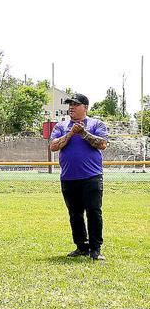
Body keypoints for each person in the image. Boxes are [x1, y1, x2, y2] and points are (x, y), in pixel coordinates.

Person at [49, 93, 108, 260]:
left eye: (75, 104)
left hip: (92, 177)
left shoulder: (96, 124)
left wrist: (83, 133)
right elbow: (53, 146)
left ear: (85, 107)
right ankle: (81, 246)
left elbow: (102, 144)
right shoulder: (61, 126)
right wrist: (70, 134)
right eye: (70, 104)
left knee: (94, 212)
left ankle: (95, 249)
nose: (71, 107)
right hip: (69, 177)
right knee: (75, 214)